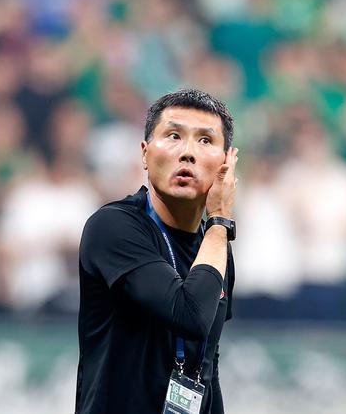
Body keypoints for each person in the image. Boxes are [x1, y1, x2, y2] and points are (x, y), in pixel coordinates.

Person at [75, 89, 238, 414]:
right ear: (145, 154)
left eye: (205, 140)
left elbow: (207, 363)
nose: (187, 153)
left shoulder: (215, 246)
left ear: (226, 163)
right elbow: (189, 316)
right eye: (174, 136)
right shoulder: (113, 227)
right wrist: (220, 221)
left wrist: (217, 230)